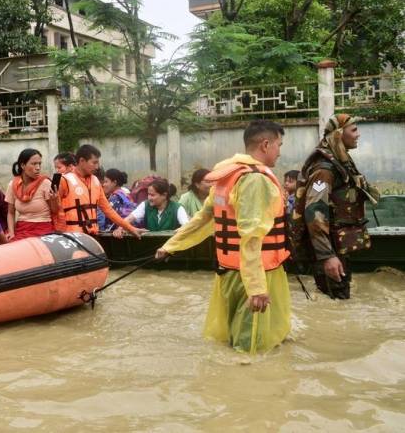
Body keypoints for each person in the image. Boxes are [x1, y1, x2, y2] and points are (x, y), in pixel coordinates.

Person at [156, 120, 291, 354]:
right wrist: (257, 288)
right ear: (266, 145)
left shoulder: (228, 175)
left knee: (234, 340)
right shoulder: (254, 179)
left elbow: (203, 218)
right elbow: (250, 235)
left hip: (229, 273)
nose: (280, 151)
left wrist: (170, 245)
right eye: (279, 145)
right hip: (254, 274)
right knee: (252, 348)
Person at [295, 114, 379, 300]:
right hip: (329, 248)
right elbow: (314, 212)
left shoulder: (339, 162)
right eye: (354, 130)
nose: (358, 134)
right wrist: (326, 256)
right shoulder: (324, 170)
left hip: (337, 246)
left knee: (339, 299)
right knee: (336, 298)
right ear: (339, 134)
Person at [56, 144, 141, 238]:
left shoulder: (95, 181)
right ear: (82, 161)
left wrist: (130, 228)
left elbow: (108, 210)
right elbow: (53, 211)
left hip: (92, 238)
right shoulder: (64, 180)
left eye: (98, 163)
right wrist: (59, 235)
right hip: (72, 237)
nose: (97, 167)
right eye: (94, 162)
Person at [5, 148, 59, 240]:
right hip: (21, 229)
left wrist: (54, 199)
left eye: (39, 164)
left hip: (43, 229)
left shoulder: (45, 183)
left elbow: (54, 211)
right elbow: (10, 212)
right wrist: (11, 232)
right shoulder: (13, 185)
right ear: (22, 165)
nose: (38, 168)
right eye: (34, 164)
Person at [114, 178, 189, 236]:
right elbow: (130, 218)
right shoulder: (145, 205)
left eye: (152, 195)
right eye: (148, 194)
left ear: (164, 195)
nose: (149, 198)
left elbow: (187, 226)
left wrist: (180, 230)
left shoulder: (177, 208)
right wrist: (120, 228)